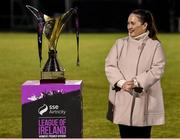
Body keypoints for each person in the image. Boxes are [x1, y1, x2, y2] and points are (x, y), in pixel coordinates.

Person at [105, 9, 166, 138]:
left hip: (144, 99)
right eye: (128, 23)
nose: (129, 27)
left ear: (144, 26)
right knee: (125, 134)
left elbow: (157, 68)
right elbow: (110, 65)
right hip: (123, 96)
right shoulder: (119, 43)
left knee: (142, 135)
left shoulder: (155, 45)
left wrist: (136, 82)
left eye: (132, 23)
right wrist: (121, 83)